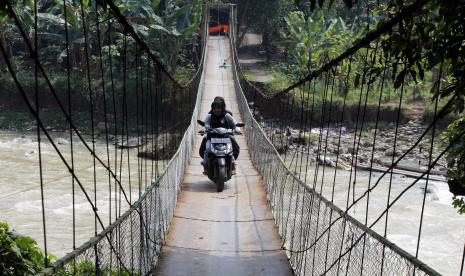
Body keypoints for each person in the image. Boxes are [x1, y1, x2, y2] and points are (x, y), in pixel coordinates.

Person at [201, 96, 240, 175]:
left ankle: (232, 164)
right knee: (207, 149)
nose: (217, 110)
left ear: (223, 108)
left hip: (225, 136)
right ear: (212, 108)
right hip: (212, 137)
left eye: (219, 108)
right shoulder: (209, 115)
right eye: (215, 108)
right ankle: (205, 164)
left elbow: (234, 123)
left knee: (231, 149)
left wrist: (237, 129)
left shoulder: (227, 115)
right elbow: (206, 124)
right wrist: (204, 129)